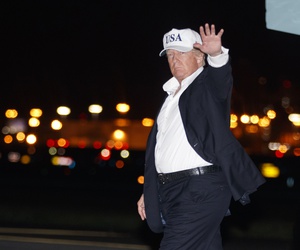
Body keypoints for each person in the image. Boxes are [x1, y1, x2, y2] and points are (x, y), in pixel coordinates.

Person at [137, 23, 265, 250]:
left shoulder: (205, 86)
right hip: (171, 189)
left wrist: (216, 54)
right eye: (169, 54)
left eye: (181, 53)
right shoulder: (170, 97)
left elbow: (220, 79)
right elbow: (162, 150)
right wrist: (150, 191)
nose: (174, 59)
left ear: (199, 58)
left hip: (200, 188)